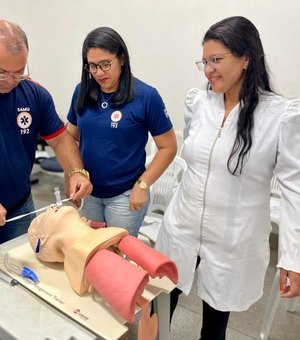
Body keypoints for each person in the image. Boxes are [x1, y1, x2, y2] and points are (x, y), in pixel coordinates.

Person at [155, 16, 300, 340]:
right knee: (161, 302)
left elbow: (294, 189)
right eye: (204, 61)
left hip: (233, 238)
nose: (208, 69)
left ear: (246, 57)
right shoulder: (199, 103)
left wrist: (293, 256)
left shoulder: (279, 116)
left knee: (215, 319)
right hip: (183, 225)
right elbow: (195, 157)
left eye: (217, 60)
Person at [66, 26, 177, 237]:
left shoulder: (146, 96)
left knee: (118, 259)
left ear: (122, 59)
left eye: (106, 64)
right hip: (88, 194)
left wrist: (143, 185)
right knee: (89, 253)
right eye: (92, 66)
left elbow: (168, 147)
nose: (99, 73)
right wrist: (73, 176)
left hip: (125, 196)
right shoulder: (81, 91)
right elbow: (69, 139)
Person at [0, 19, 93, 244]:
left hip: (20, 204)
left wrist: (77, 172)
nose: (11, 81)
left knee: (20, 267)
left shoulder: (34, 95)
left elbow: (61, 140)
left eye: (18, 72)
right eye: (2, 73)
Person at [27, 205, 178, 324]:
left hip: (100, 239)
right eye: (42, 219)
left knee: (124, 241)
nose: (51, 208)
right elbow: (51, 254)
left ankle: (153, 277)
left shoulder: (66, 225)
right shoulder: (72, 252)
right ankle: (139, 305)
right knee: (105, 259)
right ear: (43, 238)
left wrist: (83, 224)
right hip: (85, 251)